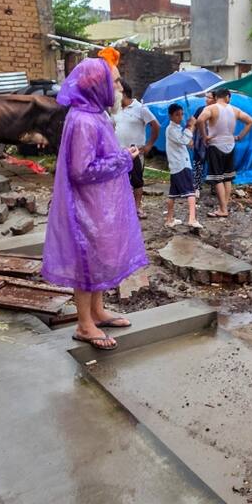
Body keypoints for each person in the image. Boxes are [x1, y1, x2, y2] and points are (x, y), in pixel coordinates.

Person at [42, 58, 148, 351]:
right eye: (114, 81)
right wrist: (124, 159)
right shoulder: (83, 121)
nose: (118, 86)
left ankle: (98, 311)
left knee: (100, 258)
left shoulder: (96, 114)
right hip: (87, 207)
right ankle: (84, 324)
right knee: (87, 263)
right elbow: (82, 170)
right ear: (96, 85)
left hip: (101, 205)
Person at [197, 88, 252, 217]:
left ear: (216, 97)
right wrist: (240, 136)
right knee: (227, 178)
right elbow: (251, 121)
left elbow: (200, 120)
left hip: (216, 144)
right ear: (228, 97)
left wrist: (204, 136)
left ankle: (223, 209)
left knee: (217, 178)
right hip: (230, 144)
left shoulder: (211, 109)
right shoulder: (235, 110)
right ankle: (224, 207)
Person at [112, 79, 160, 219]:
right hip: (118, 152)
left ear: (123, 93)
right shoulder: (115, 109)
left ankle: (137, 207)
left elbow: (156, 126)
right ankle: (122, 208)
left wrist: (149, 145)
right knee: (119, 181)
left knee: (137, 181)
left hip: (135, 153)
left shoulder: (140, 108)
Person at [164, 103, 202, 229]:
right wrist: (191, 126)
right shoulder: (172, 129)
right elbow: (184, 140)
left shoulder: (175, 128)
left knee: (173, 194)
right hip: (181, 164)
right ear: (170, 116)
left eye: (181, 114)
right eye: (176, 115)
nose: (180, 117)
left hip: (177, 165)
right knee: (190, 192)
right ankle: (192, 219)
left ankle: (169, 219)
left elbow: (183, 138)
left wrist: (188, 126)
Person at [191, 92, 215, 195]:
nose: (206, 99)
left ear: (215, 99)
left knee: (214, 165)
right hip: (199, 142)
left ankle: (214, 187)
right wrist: (190, 137)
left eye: (209, 97)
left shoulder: (217, 111)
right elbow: (193, 123)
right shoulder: (200, 109)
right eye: (206, 97)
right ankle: (197, 187)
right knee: (198, 164)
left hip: (213, 141)